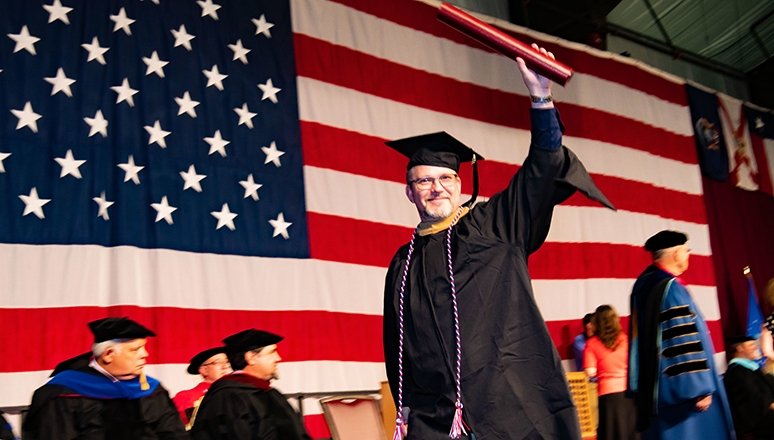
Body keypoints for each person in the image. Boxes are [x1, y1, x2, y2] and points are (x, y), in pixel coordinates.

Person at [382, 45, 614, 440]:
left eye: (445, 178)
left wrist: (541, 100)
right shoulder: (403, 265)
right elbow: (398, 346)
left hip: (511, 412)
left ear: (459, 185)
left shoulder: (494, 226)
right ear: (409, 192)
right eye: (423, 180)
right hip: (437, 423)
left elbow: (542, 169)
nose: (436, 188)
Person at [627, 230, 735, 439]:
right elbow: (682, 341)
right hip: (683, 395)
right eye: (687, 251)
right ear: (676, 254)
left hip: (656, 389)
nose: (688, 256)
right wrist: (698, 389)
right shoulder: (671, 289)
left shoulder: (643, 284)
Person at [22, 317, 187, 439]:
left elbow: (174, 434)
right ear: (108, 354)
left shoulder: (150, 389)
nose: (145, 354)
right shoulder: (62, 393)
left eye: (144, 348)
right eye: (135, 349)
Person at [190, 328, 310, 439]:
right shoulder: (228, 397)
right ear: (251, 357)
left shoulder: (269, 393)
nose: (278, 358)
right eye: (272, 352)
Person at [583, 305, 638, 440]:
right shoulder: (625, 339)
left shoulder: (592, 343)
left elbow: (590, 372)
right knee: (630, 431)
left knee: (611, 432)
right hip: (629, 393)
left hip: (607, 396)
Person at [723, 335, 774, 439]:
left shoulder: (751, 368)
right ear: (740, 348)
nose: (755, 348)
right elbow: (757, 399)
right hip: (758, 430)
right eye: (751, 345)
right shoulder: (737, 372)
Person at [173, 347, 232, 426]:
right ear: (204, 370)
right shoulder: (185, 397)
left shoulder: (239, 392)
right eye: (218, 363)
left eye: (227, 362)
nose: (225, 366)